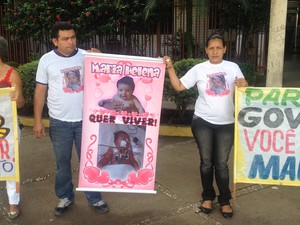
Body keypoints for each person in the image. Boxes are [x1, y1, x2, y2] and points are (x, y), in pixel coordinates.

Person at [163, 33, 248, 219]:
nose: (215, 51)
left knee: (222, 164)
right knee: (206, 163)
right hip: (203, 121)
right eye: (211, 48)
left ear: (225, 49)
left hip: (227, 123)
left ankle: (225, 200)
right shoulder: (199, 69)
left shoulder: (233, 67)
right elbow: (178, 86)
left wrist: (243, 83)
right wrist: (169, 68)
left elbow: (243, 87)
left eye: (219, 47)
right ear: (206, 50)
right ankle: (207, 197)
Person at [32, 22, 109, 216]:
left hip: (87, 121)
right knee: (62, 164)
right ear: (55, 41)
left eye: (73, 37)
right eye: (65, 39)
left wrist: (102, 59)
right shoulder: (46, 60)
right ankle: (65, 196)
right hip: (59, 123)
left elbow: (107, 77)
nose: (71, 42)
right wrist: (37, 120)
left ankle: (94, 197)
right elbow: (40, 90)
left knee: (90, 161)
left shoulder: (87, 56)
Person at [0, 36, 25, 220]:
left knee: (10, 165)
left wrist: (17, 98)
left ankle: (13, 202)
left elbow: (22, 102)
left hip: (7, 130)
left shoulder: (11, 74)